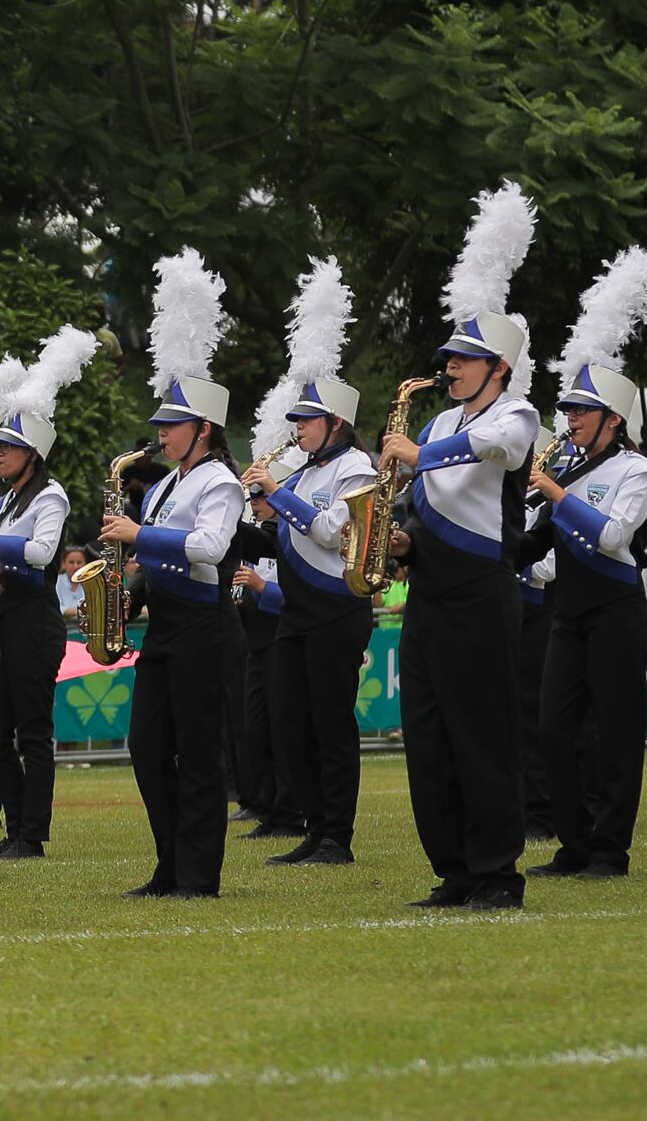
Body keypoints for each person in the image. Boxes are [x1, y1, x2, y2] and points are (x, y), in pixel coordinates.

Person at [375, 184, 544, 912]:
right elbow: (426, 501)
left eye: (466, 359)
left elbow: (499, 449)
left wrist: (416, 456)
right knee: (429, 739)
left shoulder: (517, 412)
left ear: (499, 366)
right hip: (429, 595)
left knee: (482, 736)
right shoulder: (438, 421)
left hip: (481, 593)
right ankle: (453, 869)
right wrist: (397, 541)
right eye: (450, 357)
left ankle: (498, 872)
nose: (452, 368)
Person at [522, 252, 647, 882]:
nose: (571, 419)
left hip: (616, 612)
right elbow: (535, 544)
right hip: (570, 614)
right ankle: (574, 842)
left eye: (582, 411)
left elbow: (612, 536)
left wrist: (554, 491)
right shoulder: (569, 470)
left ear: (614, 419)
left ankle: (609, 849)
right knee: (554, 729)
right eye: (569, 410)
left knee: (613, 732)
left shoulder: (637, 470)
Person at [108, 256, 241, 899]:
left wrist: (139, 537)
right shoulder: (164, 485)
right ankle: (169, 862)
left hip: (205, 627)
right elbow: (157, 555)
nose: (160, 436)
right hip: (164, 625)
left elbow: (210, 549)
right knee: (147, 746)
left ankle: (198, 873)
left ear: (203, 429)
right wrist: (126, 593)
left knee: (198, 751)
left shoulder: (222, 482)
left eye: (171, 426)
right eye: (159, 426)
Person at [242, 296, 381, 868]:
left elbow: (329, 532)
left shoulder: (357, 468)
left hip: (336, 610)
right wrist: (246, 512)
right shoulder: (305, 471)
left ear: (336, 424)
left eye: (306, 420)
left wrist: (277, 494)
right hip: (297, 612)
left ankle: (336, 836)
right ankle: (311, 826)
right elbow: (285, 539)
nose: (297, 428)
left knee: (330, 724)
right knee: (291, 725)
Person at [0, 355, 85, 860]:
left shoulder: (50, 496)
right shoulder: (1, 502)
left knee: (33, 731)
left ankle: (33, 835)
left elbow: (42, 553)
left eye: (8, 447)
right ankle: (15, 825)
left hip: (34, 620)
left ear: (33, 454)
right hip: (2, 620)